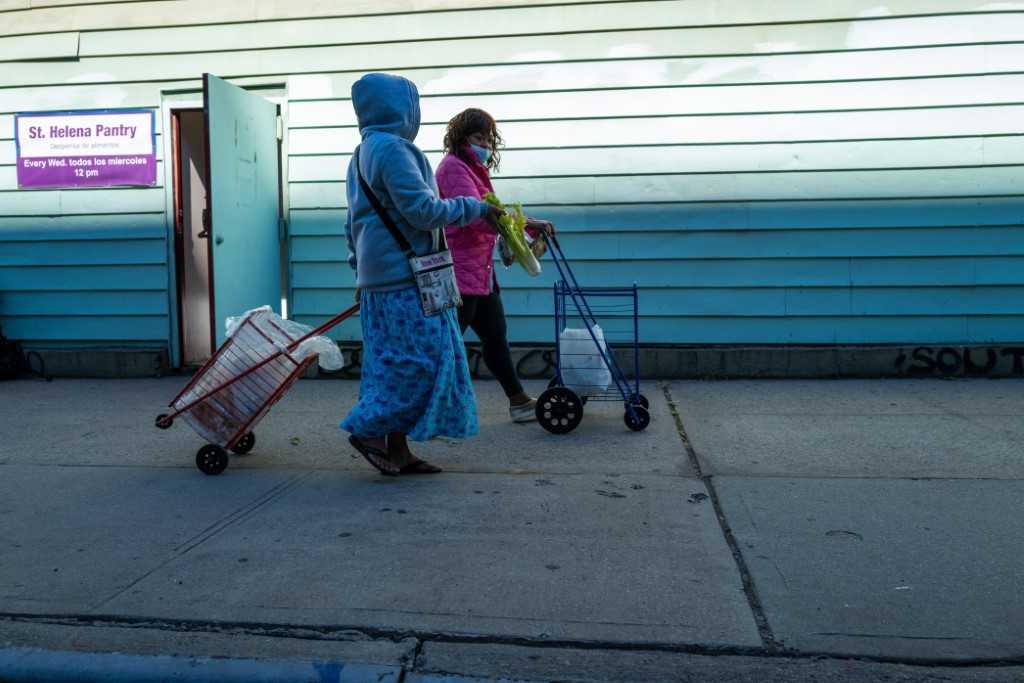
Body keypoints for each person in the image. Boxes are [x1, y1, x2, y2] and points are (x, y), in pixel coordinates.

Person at [341, 74, 503, 476]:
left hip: (383, 282)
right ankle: (368, 432)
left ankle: (398, 450)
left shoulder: (361, 153)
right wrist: (477, 208)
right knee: (425, 364)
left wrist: (360, 275)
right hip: (405, 280)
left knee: (396, 364)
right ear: (402, 108)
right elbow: (424, 212)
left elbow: (352, 224)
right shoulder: (395, 150)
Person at [434, 108, 555, 423]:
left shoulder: (473, 169)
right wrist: (529, 225)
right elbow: (479, 216)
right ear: (461, 138)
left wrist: (528, 228)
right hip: (460, 271)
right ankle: (426, 408)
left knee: (495, 336)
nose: (485, 145)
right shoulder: (453, 168)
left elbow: (494, 214)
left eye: (488, 139)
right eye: (478, 137)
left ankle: (518, 401)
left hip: (479, 271)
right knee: (447, 344)